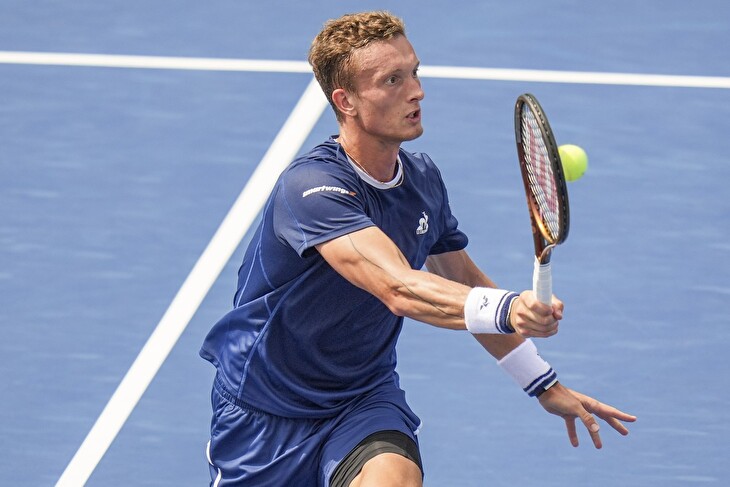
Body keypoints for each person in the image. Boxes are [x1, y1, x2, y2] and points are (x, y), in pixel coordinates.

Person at [200, 11, 636, 487]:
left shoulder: (422, 180)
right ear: (346, 101)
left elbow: (461, 278)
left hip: (362, 399)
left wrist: (541, 382)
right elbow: (398, 287)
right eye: (392, 80)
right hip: (265, 412)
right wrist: (510, 308)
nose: (417, 91)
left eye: (414, 72)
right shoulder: (310, 189)